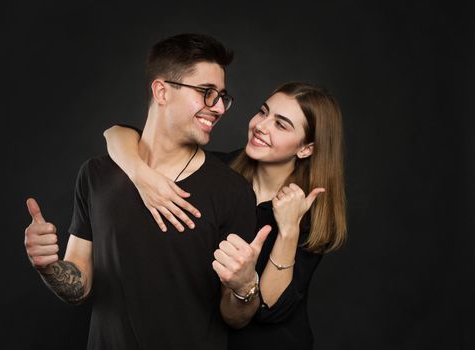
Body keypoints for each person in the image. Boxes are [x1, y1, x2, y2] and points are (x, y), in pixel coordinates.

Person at [24, 33, 273, 350]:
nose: (219, 107)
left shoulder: (232, 190)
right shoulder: (96, 175)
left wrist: (244, 287)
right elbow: (79, 285)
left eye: (223, 96)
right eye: (207, 93)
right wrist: (48, 268)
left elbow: (236, 317)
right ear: (161, 91)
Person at [103, 82, 347, 349]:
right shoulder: (216, 171)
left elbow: (268, 309)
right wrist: (140, 174)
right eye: (263, 112)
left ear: (306, 149)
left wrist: (289, 230)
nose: (261, 126)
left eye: (281, 124)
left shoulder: (311, 211)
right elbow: (116, 134)